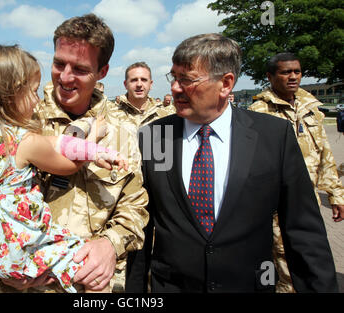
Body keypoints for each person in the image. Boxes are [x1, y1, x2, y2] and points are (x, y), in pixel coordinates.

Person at [125, 33, 338, 293]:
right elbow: (141, 225)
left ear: (226, 84)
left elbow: (303, 232)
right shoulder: (155, 136)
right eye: (174, 77)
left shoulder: (273, 136)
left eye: (187, 79)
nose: (175, 88)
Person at [0, 44, 128, 293]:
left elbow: (56, 141)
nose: (36, 98)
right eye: (31, 91)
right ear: (6, 94)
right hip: (22, 243)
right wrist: (93, 141)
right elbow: (68, 165)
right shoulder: (25, 141)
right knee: (94, 276)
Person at [0, 14, 149, 293]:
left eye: (80, 69)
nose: (65, 77)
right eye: (59, 63)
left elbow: (135, 206)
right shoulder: (20, 117)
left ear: (103, 72)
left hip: (89, 287)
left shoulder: (122, 131)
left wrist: (110, 244)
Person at [248, 53, 344, 292]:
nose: (293, 77)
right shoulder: (257, 111)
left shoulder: (310, 107)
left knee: (308, 259)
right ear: (270, 77)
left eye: (297, 72)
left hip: (307, 200)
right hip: (274, 205)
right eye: (285, 72)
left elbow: (325, 153)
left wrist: (335, 193)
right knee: (281, 264)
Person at [114, 62, 175, 131]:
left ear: (150, 84)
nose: (139, 84)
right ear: (125, 84)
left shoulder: (165, 116)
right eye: (134, 80)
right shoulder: (110, 114)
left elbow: (168, 141)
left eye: (144, 80)